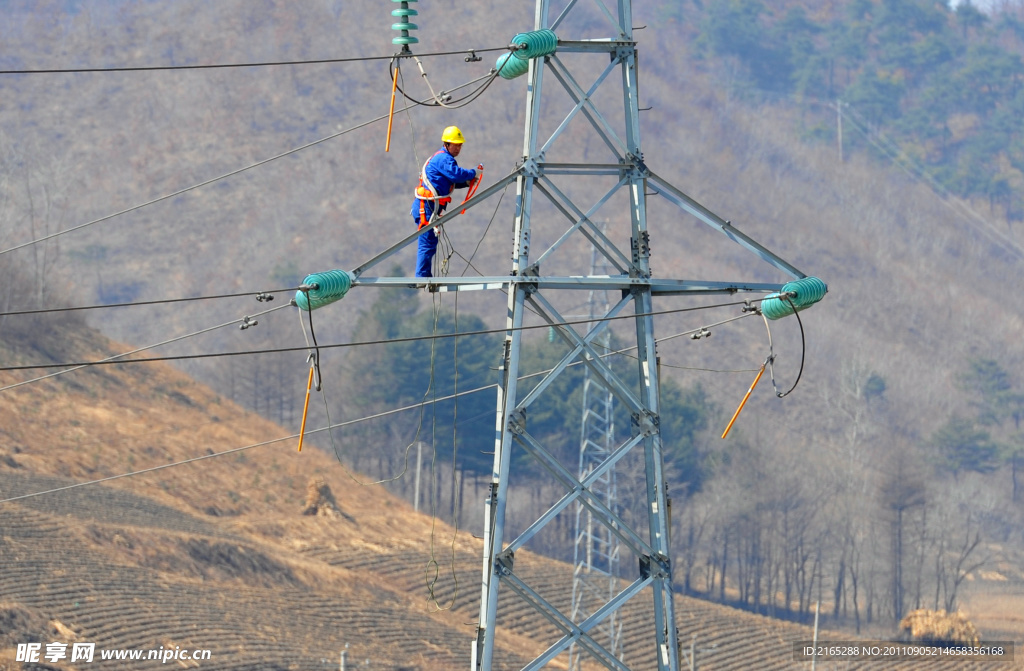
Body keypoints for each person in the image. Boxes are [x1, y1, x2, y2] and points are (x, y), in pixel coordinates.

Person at [411, 126, 480, 278]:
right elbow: (456, 175)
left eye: (460, 145)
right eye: (455, 145)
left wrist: (468, 183)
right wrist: (473, 173)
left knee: (430, 243)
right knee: (427, 242)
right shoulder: (444, 159)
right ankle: (422, 276)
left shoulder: (445, 159)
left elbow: (451, 181)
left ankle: (423, 275)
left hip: (429, 208)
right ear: (447, 144)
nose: (458, 148)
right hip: (426, 208)